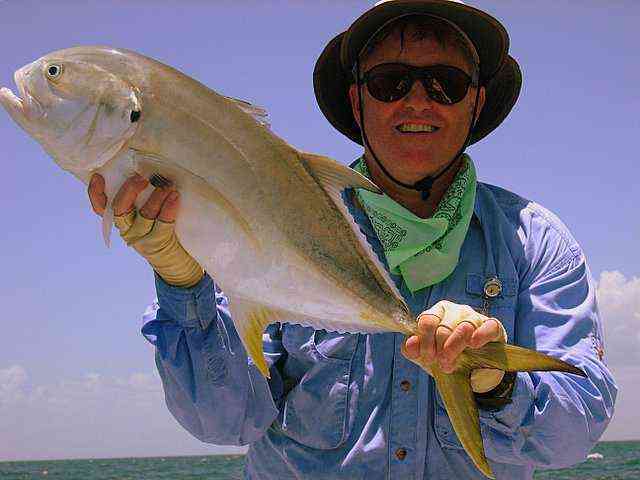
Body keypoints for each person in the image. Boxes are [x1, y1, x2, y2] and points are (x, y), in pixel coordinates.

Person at [87, 1, 617, 478]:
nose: (418, 101)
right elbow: (225, 421)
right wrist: (183, 284)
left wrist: (494, 382)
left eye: (445, 84)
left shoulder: (534, 242)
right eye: (390, 82)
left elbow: (574, 433)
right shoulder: (268, 213)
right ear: (357, 101)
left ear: (475, 104)